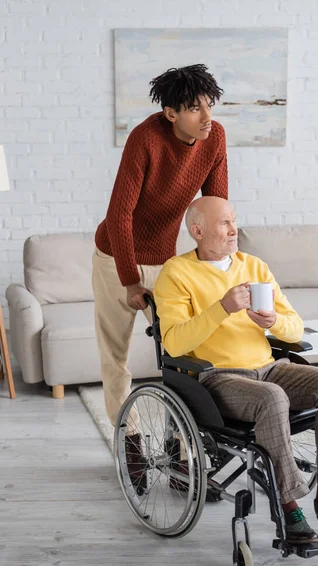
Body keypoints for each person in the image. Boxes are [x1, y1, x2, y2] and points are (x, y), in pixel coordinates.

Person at [153, 196, 318, 543]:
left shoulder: (254, 267)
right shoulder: (176, 273)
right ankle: (289, 510)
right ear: (197, 231)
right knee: (272, 398)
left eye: (234, 220)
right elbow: (174, 344)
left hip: (268, 368)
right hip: (218, 377)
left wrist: (273, 321)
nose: (234, 229)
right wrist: (222, 308)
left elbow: (295, 328)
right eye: (224, 223)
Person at [92, 65, 228, 433]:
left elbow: (215, 205)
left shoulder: (215, 138)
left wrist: (218, 265)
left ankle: (180, 445)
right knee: (115, 357)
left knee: (182, 355)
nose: (207, 117)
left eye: (210, 106)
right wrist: (130, 280)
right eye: (195, 109)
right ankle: (130, 438)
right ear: (171, 114)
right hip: (116, 257)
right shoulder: (145, 139)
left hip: (166, 259)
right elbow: (120, 214)